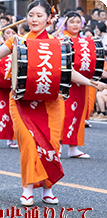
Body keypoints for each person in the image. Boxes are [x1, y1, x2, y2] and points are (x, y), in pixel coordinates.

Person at [0, 0, 107, 206]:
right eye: (31, 15)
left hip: (49, 104)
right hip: (21, 103)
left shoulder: (57, 43)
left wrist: (91, 83)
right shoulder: (17, 41)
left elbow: (68, 73)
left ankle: (48, 188)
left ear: (49, 19)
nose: (34, 19)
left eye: (39, 16)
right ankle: (28, 188)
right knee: (29, 145)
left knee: (50, 146)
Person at [58, 11, 92, 159]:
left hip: (81, 82)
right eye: (72, 21)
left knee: (78, 113)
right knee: (62, 114)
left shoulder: (85, 41)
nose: (75, 25)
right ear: (65, 24)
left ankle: (73, 147)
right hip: (64, 82)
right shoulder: (60, 38)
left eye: (78, 22)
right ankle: (57, 145)